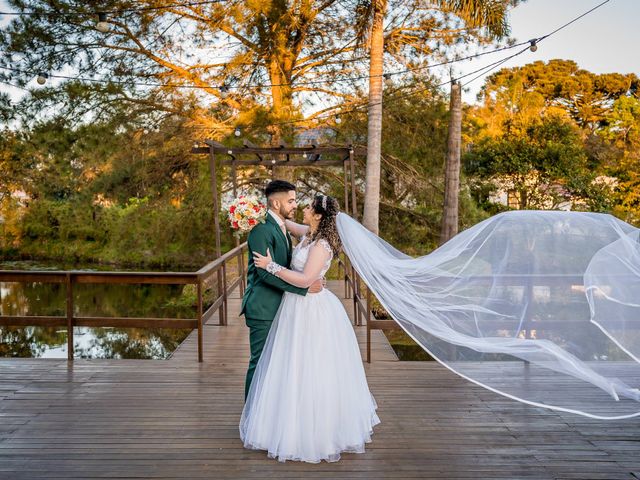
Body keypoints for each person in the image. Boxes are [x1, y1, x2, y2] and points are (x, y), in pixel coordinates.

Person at [239, 194, 380, 463]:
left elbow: (305, 280)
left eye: (306, 206)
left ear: (317, 214)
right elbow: (284, 224)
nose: (301, 208)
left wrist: (271, 265)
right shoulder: (309, 233)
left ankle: (315, 432)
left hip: (311, 309)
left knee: (311, 366)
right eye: (296, 203)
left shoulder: (321, 245)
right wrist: (255, 214)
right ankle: (285, 421)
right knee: (292, 364)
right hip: (294, 309)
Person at [240, 180, 324, 400]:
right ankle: (250, 415)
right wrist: (304, 289)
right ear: (276, 204)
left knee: (276, 364)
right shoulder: (261, 231)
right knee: (259, 363)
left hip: (282, 306)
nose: (296, 205)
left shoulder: (282, 227)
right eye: (291, 200)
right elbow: (264, 273)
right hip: (263, 307)